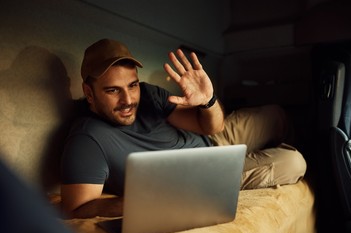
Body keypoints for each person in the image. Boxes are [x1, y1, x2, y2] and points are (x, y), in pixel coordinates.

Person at [60, 38, 306, 219]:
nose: (128, 99)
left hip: (212, 138)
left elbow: (211, 126)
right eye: (113, 90)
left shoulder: (148, 94)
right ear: (89, 93)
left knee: (276, 115)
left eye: (132, 85)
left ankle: (271, 148)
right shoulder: (88, 139)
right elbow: (77, 207)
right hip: (203, 174)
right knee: (294, 162)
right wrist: (141, 202)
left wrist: (207, 101)